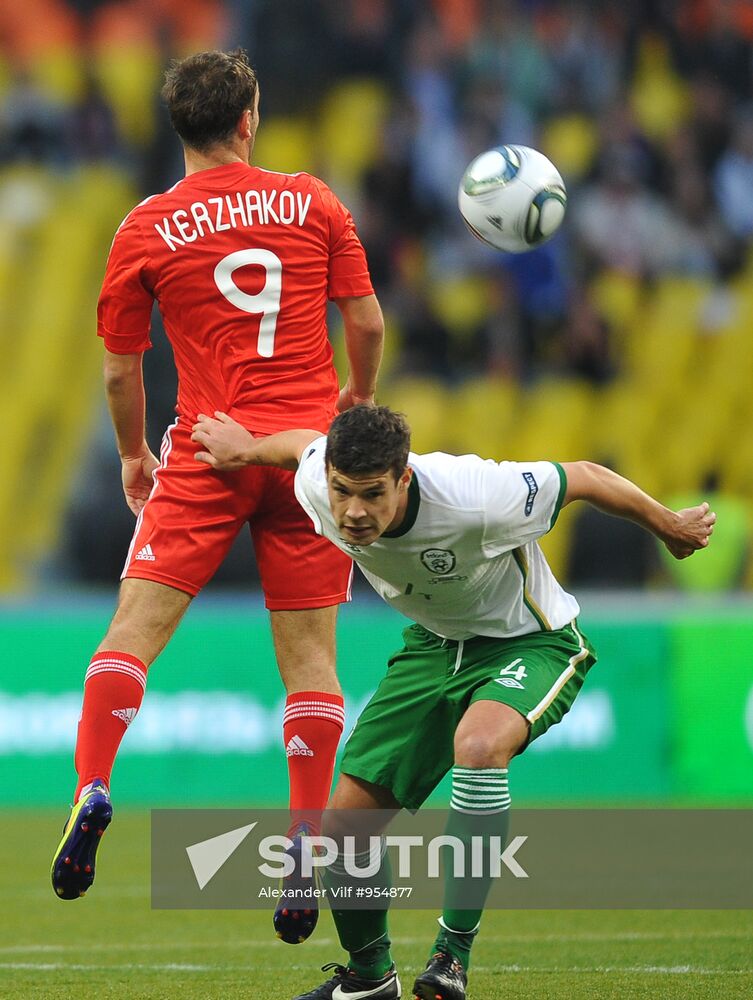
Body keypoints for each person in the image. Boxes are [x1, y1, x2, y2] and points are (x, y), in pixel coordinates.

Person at [190, 404, 715, 1000]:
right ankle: (368, 979)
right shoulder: (319, 480)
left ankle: (451, 958)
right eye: (343, 492)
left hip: (530, 641)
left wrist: (669, 525)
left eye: (372, 494)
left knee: (479, 745)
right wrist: (246, 449)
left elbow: (586, 476)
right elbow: (303, 446)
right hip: (433, 650)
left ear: (404, 478)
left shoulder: (477, 497)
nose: (354, 512)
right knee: (342, 833)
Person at [50, 49, 384, 949]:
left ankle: (92, 785)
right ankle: (306, 841)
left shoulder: (146, 227)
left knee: (130, 637)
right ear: (250, 118)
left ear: (178, 127)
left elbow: (123, 368)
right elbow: (368, 320)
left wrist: (130, 454)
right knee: (311, 663)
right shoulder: (313, 199)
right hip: (306, 455)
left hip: (205, 448)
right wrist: (353, 398)